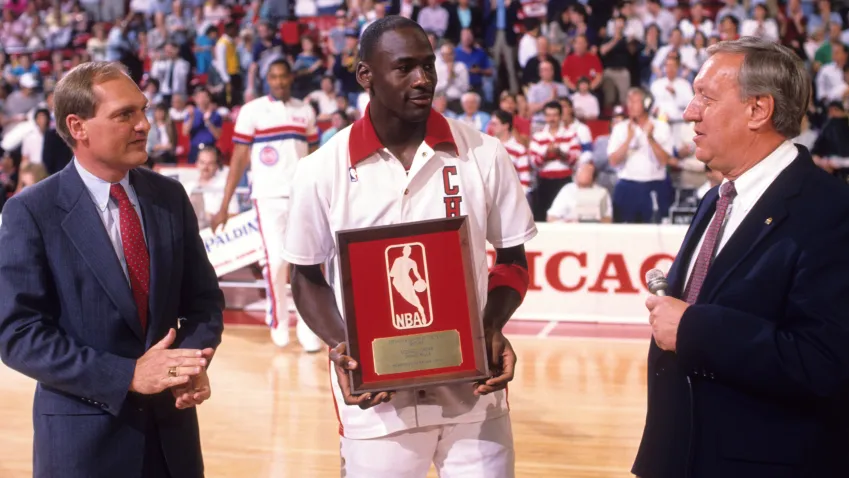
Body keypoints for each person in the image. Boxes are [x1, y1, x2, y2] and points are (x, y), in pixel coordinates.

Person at [282, 15, 536, 478]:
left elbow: (513, 262)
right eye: (404, 68)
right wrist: (343, 347)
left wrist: (491, 326)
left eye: (429, 66)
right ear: (366, 75)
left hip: (474, 396)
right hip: (376, 407)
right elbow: (306, 276)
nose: (423, 81)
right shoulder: (321, 169)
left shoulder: (484, 153)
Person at [634, 37, 849, 478]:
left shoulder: (832, 211)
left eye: (706, 98)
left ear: (759, 110)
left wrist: (693, 328)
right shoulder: (716, 197)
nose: (689, 111)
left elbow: (824, 363)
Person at [0, 62, 224, 478]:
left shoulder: (169, 196)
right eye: (125, 115)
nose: (144, 125)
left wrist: (190, 364)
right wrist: (127, 376)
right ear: (78, 126)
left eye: (143, 110)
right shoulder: (31, 211)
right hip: (82, 446)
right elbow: (18, 334)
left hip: (172, 442)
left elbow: (205, 303)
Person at [211, 58, 322, 352]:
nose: (279, 81)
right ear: (267, 80)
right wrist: (224, 204)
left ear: (290, 78)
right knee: (276, 262)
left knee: (305, 262)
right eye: (273, 76)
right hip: (267, 197)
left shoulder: (305, 111)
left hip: (302, 196)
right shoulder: (252, 111)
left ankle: (308, 327)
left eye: (283, 76)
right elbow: (238, 159)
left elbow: (315, 157)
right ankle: (279, 322)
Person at [607, 87, 674, 223]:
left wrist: (650, 138)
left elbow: (665, 161)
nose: (630, 105)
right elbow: (613, 161)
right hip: (627, 186)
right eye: (629, 101)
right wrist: (628, 139)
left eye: (635, 101)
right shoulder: (620, 128)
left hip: (654, 185)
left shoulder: (661, 127)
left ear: (646, 104)